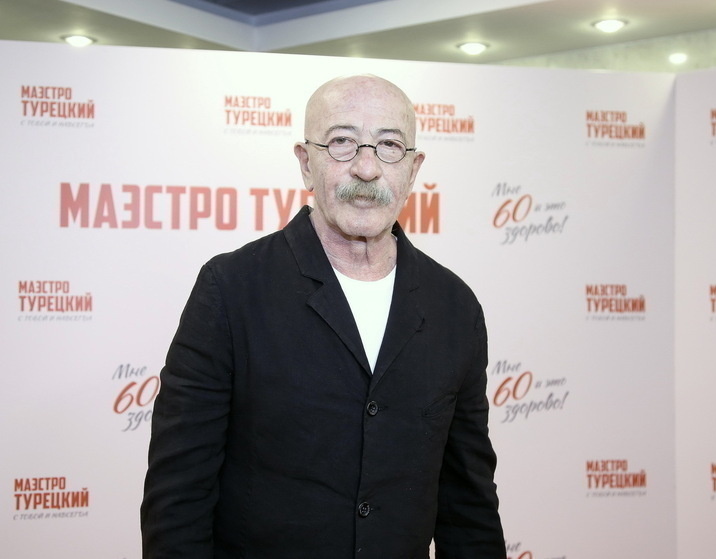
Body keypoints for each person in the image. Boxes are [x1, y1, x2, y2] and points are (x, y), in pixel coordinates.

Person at [141, 74, 506, 558]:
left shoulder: (455, 307)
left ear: (413, 169)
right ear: (305, 163)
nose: (366, 168)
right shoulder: (230, 289)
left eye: (389, 145)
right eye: (341, 142)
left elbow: (469, 507)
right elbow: (177, 501)